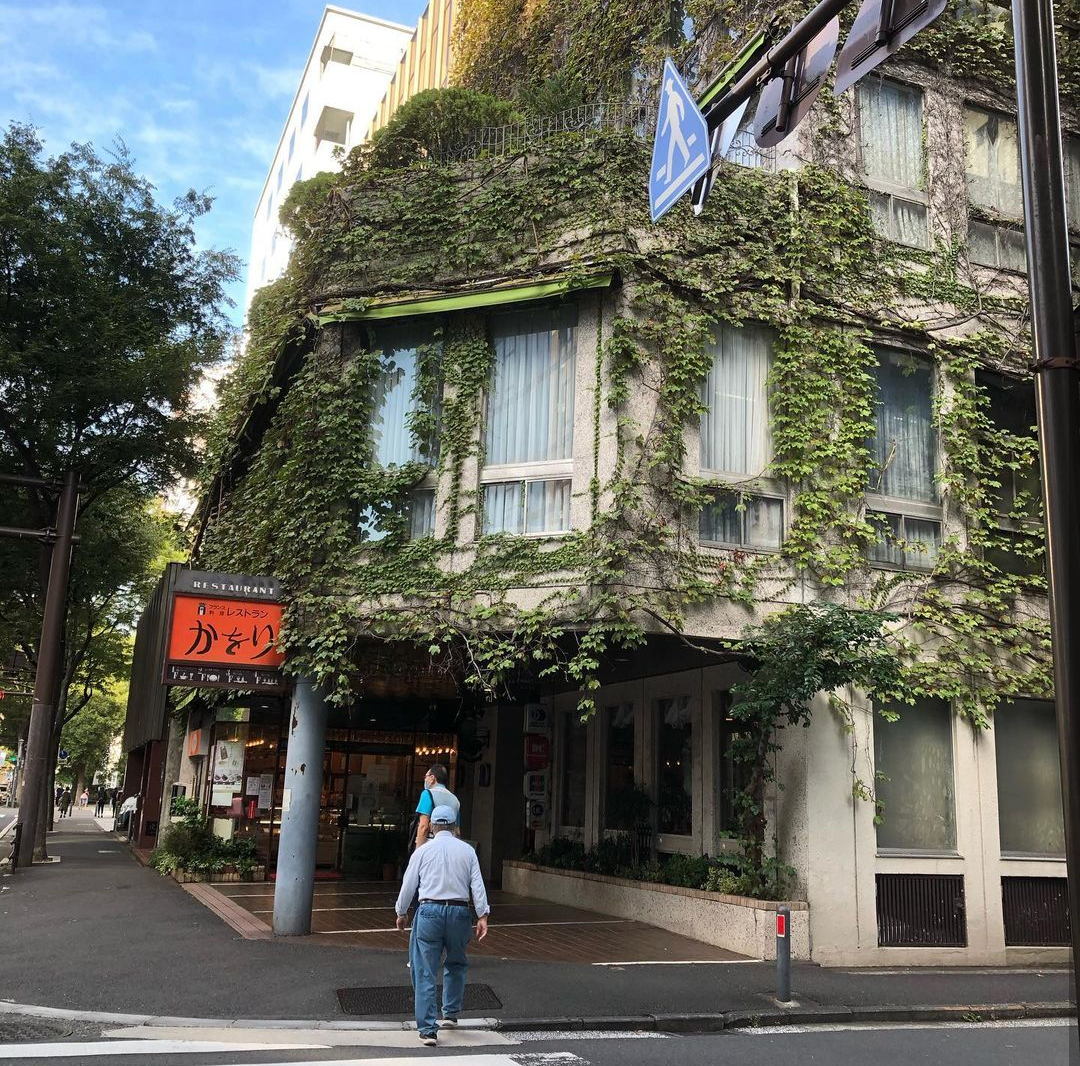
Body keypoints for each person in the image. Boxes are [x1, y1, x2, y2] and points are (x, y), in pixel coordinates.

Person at [395, 805, 489, 1047]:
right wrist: (482, 915)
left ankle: (428, 1030)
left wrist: (401, 912)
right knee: (456, 962)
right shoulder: (467, 851)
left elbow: (408, 885)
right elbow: (477, 885)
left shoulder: (423, 851)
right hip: (459, 912)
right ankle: (450, 1014)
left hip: (429, 912)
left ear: (434, 827)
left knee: (425, 968)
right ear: (455, 826)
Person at [412, 764, 460, 852]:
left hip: (430, 845)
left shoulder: (427, 794)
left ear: (432, 778)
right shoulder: (455, 799)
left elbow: (423, 826)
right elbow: (457, 830)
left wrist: (417, 852)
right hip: (450, 847)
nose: (425, 779)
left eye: (425, 777)